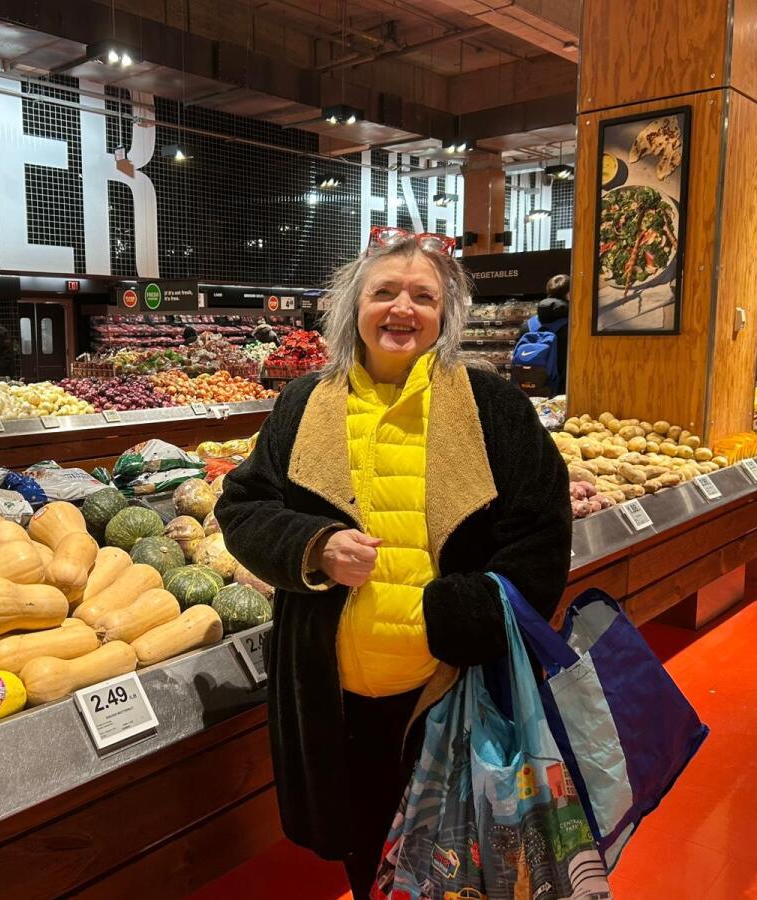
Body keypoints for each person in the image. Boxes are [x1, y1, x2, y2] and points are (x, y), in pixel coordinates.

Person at [216, 229, 572, 899]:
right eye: (384, 292)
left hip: (450, 692)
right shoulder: (304, 403)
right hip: (334, 700)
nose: (402, 308)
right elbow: (243, 508)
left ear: (446, 315)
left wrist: (455, 616)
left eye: (423, 296)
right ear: (355, 307)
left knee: (458, 861)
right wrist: (313, 546)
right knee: (365, 852)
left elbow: (543, 532)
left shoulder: (491, 406)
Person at [515, 273, 571, 392]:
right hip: (562, 393)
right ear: (569, 294)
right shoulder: (574, 326)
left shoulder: (528, 325)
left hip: (529, 390)